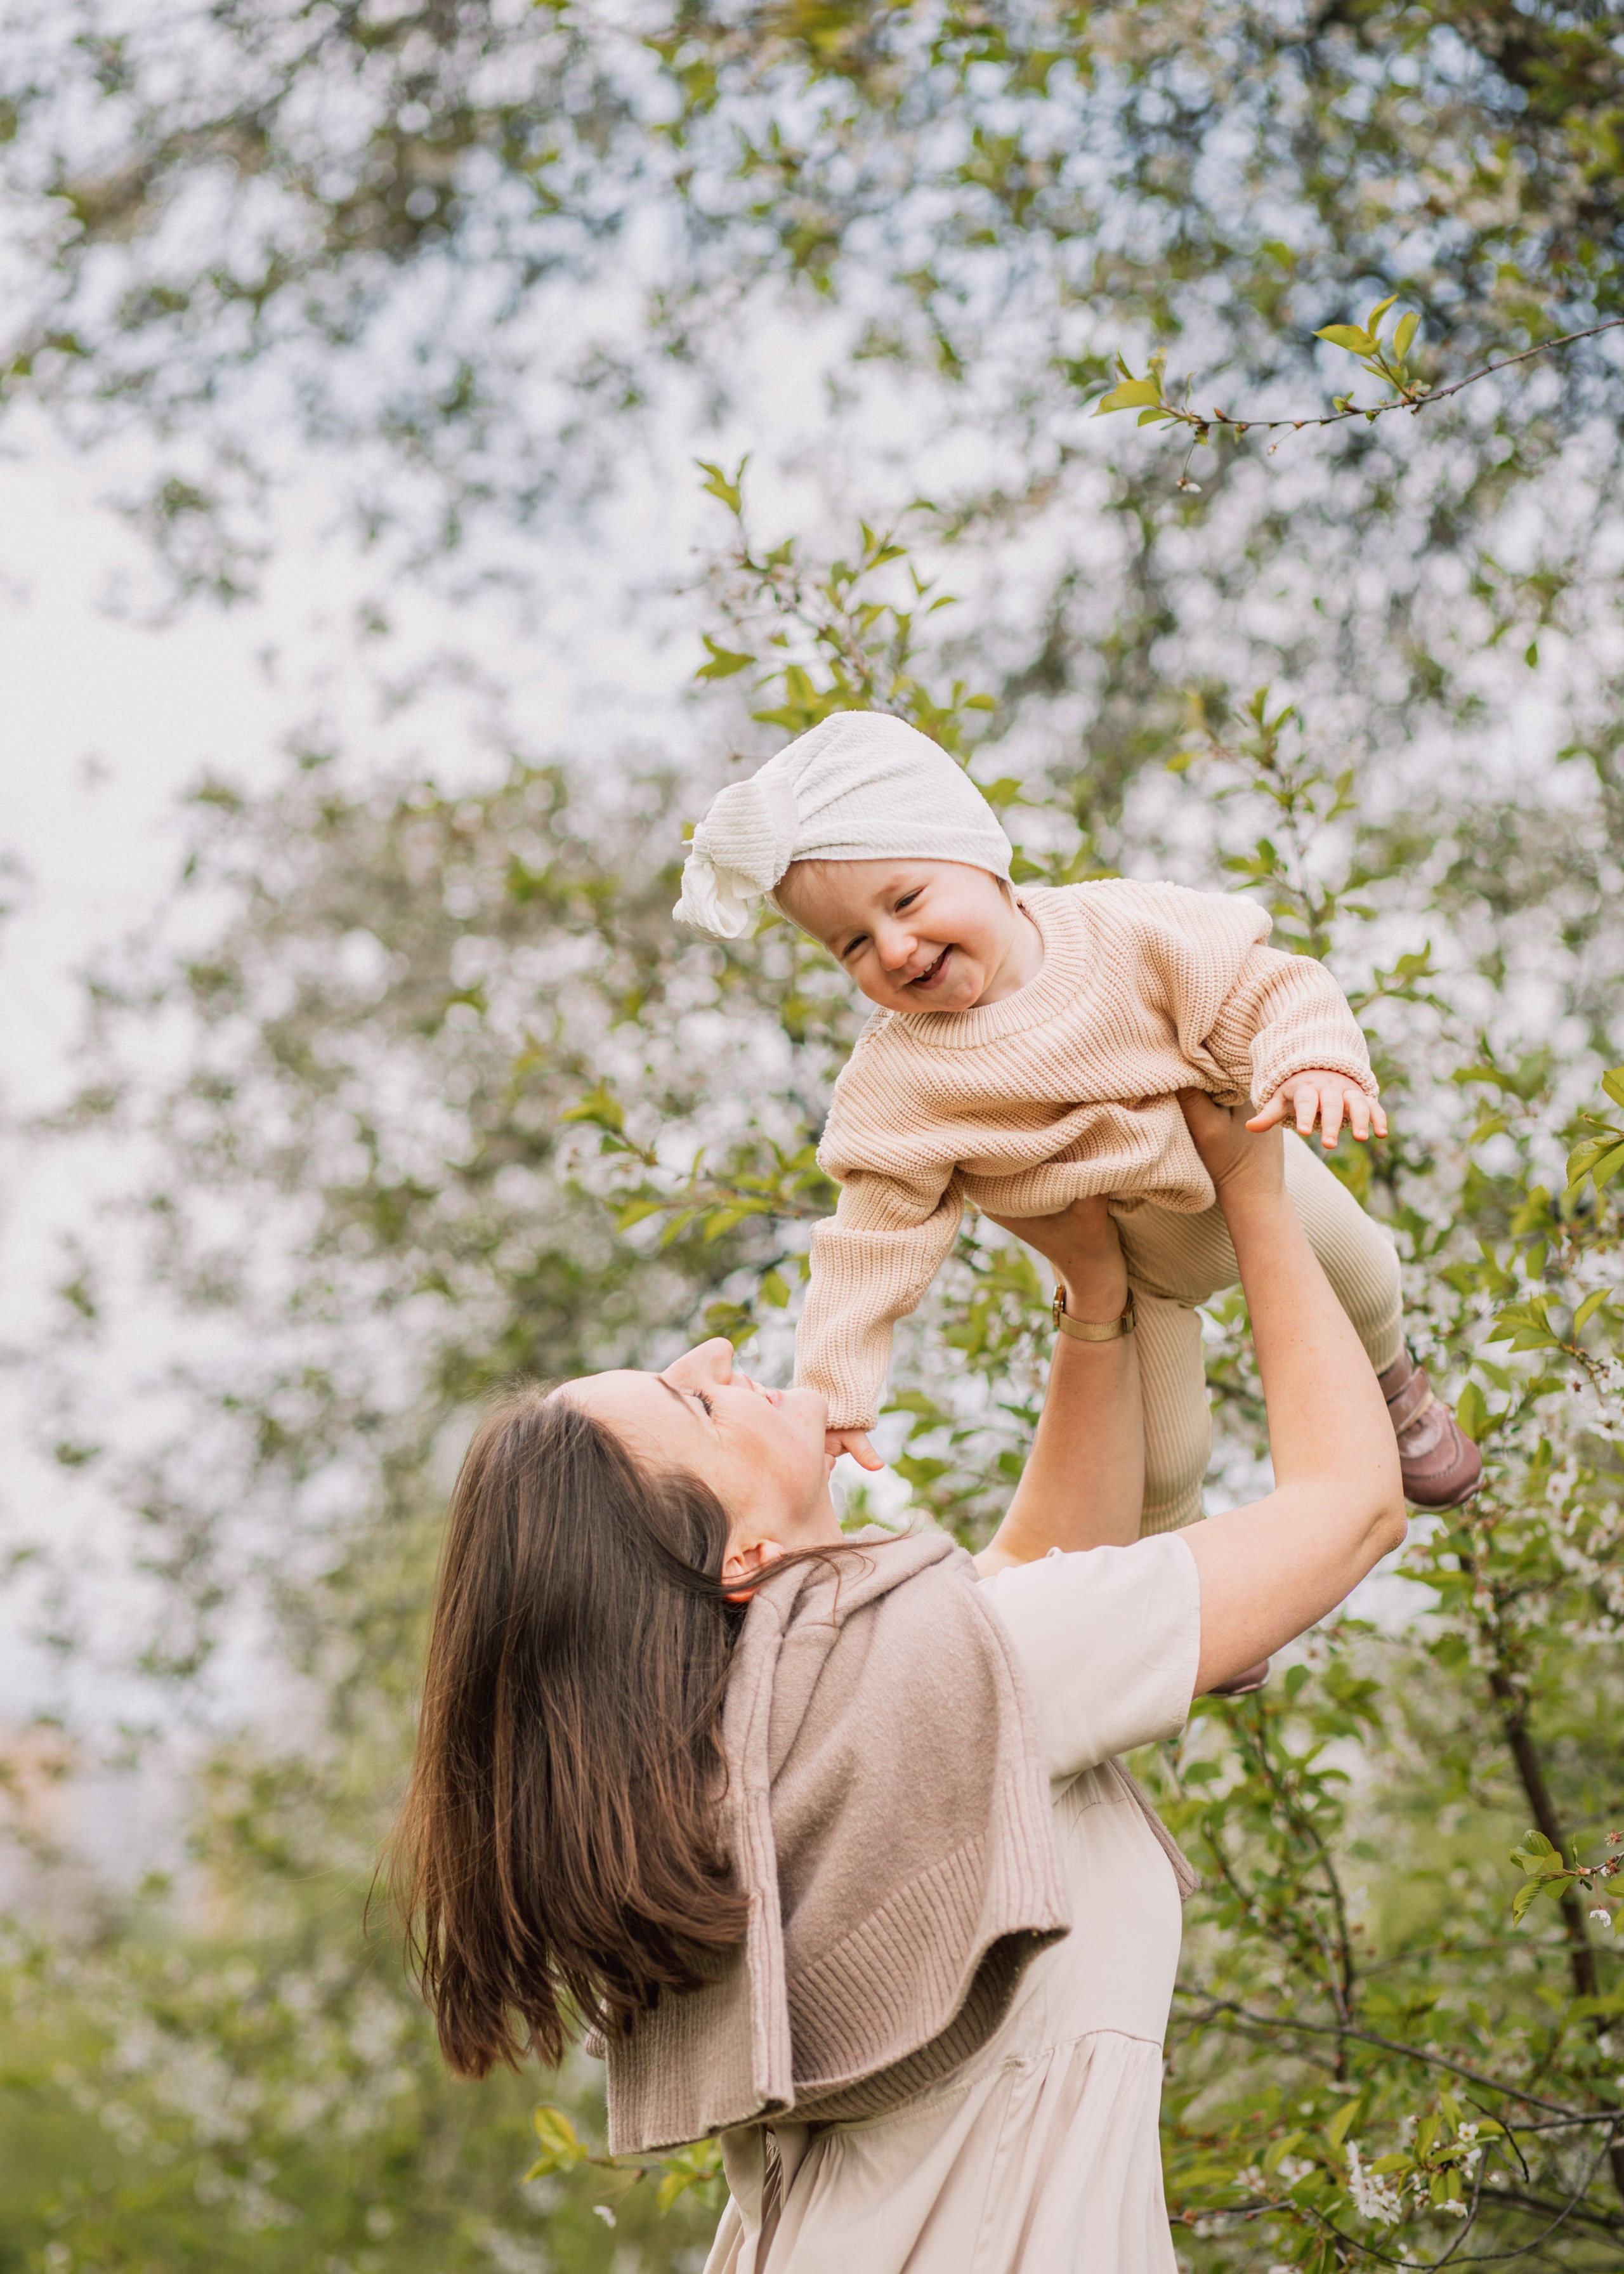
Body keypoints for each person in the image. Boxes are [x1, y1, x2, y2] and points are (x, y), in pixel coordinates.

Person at [392, 1092, 1407, 2273]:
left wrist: (1098, 1303)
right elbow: (1350, 1507)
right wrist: (1255, 1189)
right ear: (738, 1558)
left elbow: (1018, 1601)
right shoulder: (900, 1686)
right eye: (693, 1401)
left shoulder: (777, 1731)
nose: (718, 1356)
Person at [672, 709, 1480, 1527]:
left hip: (1238, 1169)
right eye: (850, 945)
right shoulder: (899, 1080)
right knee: (1164, 1460)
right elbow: (875, 1234)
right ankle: (1194, 1581)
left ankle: (1394, 1389)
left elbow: (1264, 986)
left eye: (908, 901)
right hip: (1132, 1272)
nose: (893, 948)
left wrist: (1311, 1060)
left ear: (982, 859)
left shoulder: (1121, 930)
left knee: (1367, 1274)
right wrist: (834, 1387)